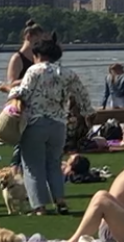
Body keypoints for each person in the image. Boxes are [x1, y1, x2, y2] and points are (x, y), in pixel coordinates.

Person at [8, 36, 91, 216]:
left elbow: (24, 92)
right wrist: (87, 113)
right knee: (54, 163)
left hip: (35, 123)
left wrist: (9, 90)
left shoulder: (34, 70)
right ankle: (60, 200)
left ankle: (39, 206)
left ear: (37, 54)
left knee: (32, 166)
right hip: (59, 124)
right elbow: (82, 95)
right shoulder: (68, 73)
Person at [0, 20, 45, 94]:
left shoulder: (39, 57)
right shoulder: (17, 58)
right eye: (36, 41)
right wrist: (32, 78)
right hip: (22, 98)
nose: (39, 45)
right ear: (28, 37)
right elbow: (11, 84)